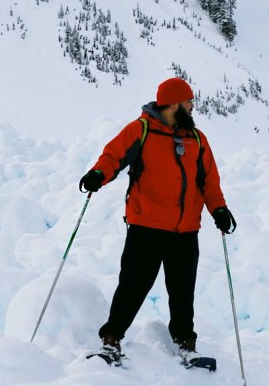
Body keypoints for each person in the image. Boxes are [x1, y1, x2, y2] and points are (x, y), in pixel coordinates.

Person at [79, 76, 235, 360]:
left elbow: (209, 182)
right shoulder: (141, 130)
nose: (192, 107)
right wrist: (98, 175)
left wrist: (219, 209)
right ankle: (111, 340)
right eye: (188, 102)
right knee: (132, 287)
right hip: (146, 227)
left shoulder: (197, 140)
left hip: (185, 230)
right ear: (173, 103)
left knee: (182, 293)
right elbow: (113, 157)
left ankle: (186, 344)